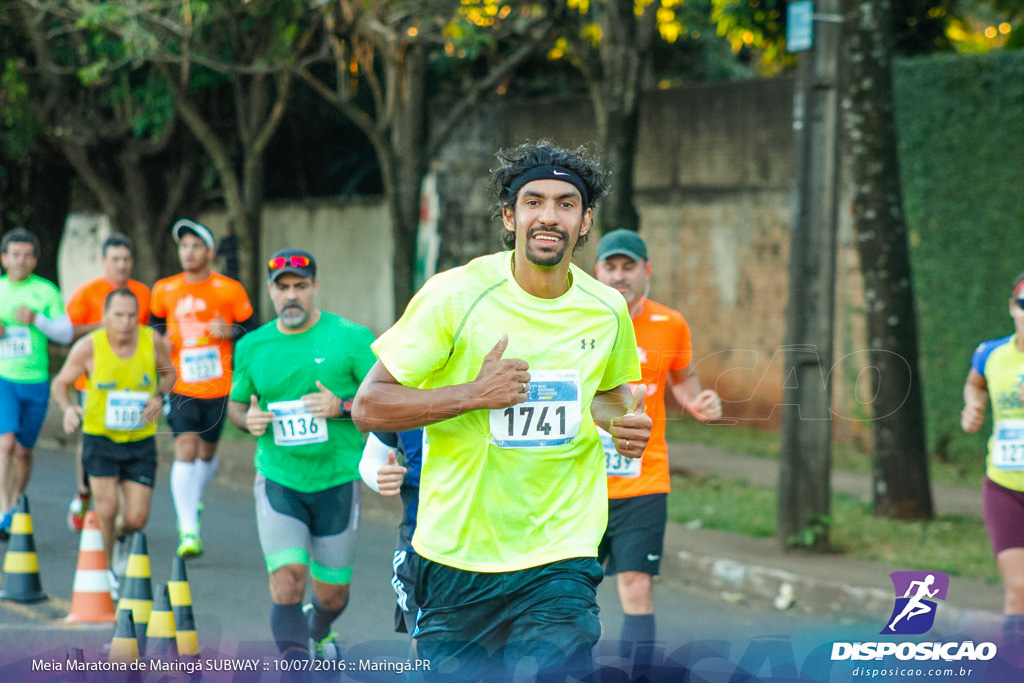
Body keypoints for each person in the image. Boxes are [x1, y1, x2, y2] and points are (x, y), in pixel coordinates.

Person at [352, 140, 653, 681]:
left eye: (566, 204)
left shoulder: (606, 308)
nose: (549, 216)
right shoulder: (454, 296)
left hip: (560, 549)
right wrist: (473, 394)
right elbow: (369, 405)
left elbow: (607, 392)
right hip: (458, 553)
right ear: (510, 216)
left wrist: (621, 423)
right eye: (533, 202)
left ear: (585, 222)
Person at [227, 249, 375, 662]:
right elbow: (237, 405)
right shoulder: (253, 345)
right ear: (271, 291)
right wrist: (247, 420)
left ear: (315, 288)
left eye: (300, 286)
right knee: (288, 579)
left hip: (337, 480)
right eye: (282, 287)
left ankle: (319, 627)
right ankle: (297, 669)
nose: (291, 295)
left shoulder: (352, 338)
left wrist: (342, 406)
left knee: (332, 596)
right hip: (280, 478)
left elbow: (384, 400)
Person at [593, 228, 722, 660]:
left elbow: (683, 378)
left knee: (637, 584)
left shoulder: (670, 323)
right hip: (579, 482)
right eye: (610, 267)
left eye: (628, 267)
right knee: (568, 590)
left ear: (646, 271)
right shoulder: (577, 321)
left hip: (643, 480)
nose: (619, 276)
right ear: (597, 271)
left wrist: (698, 400)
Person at [51, 288, 175, 596]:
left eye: (132, 315)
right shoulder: (88, 348)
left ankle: (121, 538)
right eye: (118, 315)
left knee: (135, 518)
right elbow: (61, 384)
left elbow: (170, 374)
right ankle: (106, 573)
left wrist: (159, 395)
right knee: (106, 508)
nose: (125, 322)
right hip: (101, 438)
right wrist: (69, 409)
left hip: (140, 440)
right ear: (105, 317)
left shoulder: (151, 341)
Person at [150, 218, 257, 558]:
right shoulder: (165, 289)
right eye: (183, 246)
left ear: (210, 252)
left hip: (218, 384)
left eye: (196, 246)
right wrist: (159, 344)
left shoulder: (229, 289)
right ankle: (188, 531)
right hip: (179, 384)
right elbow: (152, 326)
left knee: (207, 453)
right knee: (185, 446)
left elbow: (253, 329)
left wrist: (231, 332)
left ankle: (193, 500)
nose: (189, 252)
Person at [64, 232, 152, 533]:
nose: (122, 265)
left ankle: (121, 518)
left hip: (133, 386)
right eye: (115, 259)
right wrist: (102, 326)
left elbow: (149, 334)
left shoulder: (142, 292)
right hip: (94, 381)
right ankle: (83, 491)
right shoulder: (88, 292)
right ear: (104, 262)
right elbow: (69, 331)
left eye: (127, 259)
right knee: (90, 435)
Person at [961, 271, 1024, 647]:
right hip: (1004, 487)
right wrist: (972, 407)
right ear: (1011, 308)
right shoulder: (990, 354)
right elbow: (974, 382)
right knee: (1018, 589)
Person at [0, 228, 73, 540]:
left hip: (37, 380)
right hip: (4, 378)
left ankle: (16, 500)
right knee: (6, 443)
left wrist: (37, 320)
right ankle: (3, 509)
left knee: (24, 452)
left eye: (28, 255)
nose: (21, 260)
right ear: (4, 258)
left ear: (36, 259)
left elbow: (67, 334)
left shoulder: (46, 291)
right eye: (15, 254)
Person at [359, 428, 425, 637]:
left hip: (509, 554)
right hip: (419, 548)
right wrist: (380, 475)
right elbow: (371, 458)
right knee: (430, 654)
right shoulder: (404, 396)